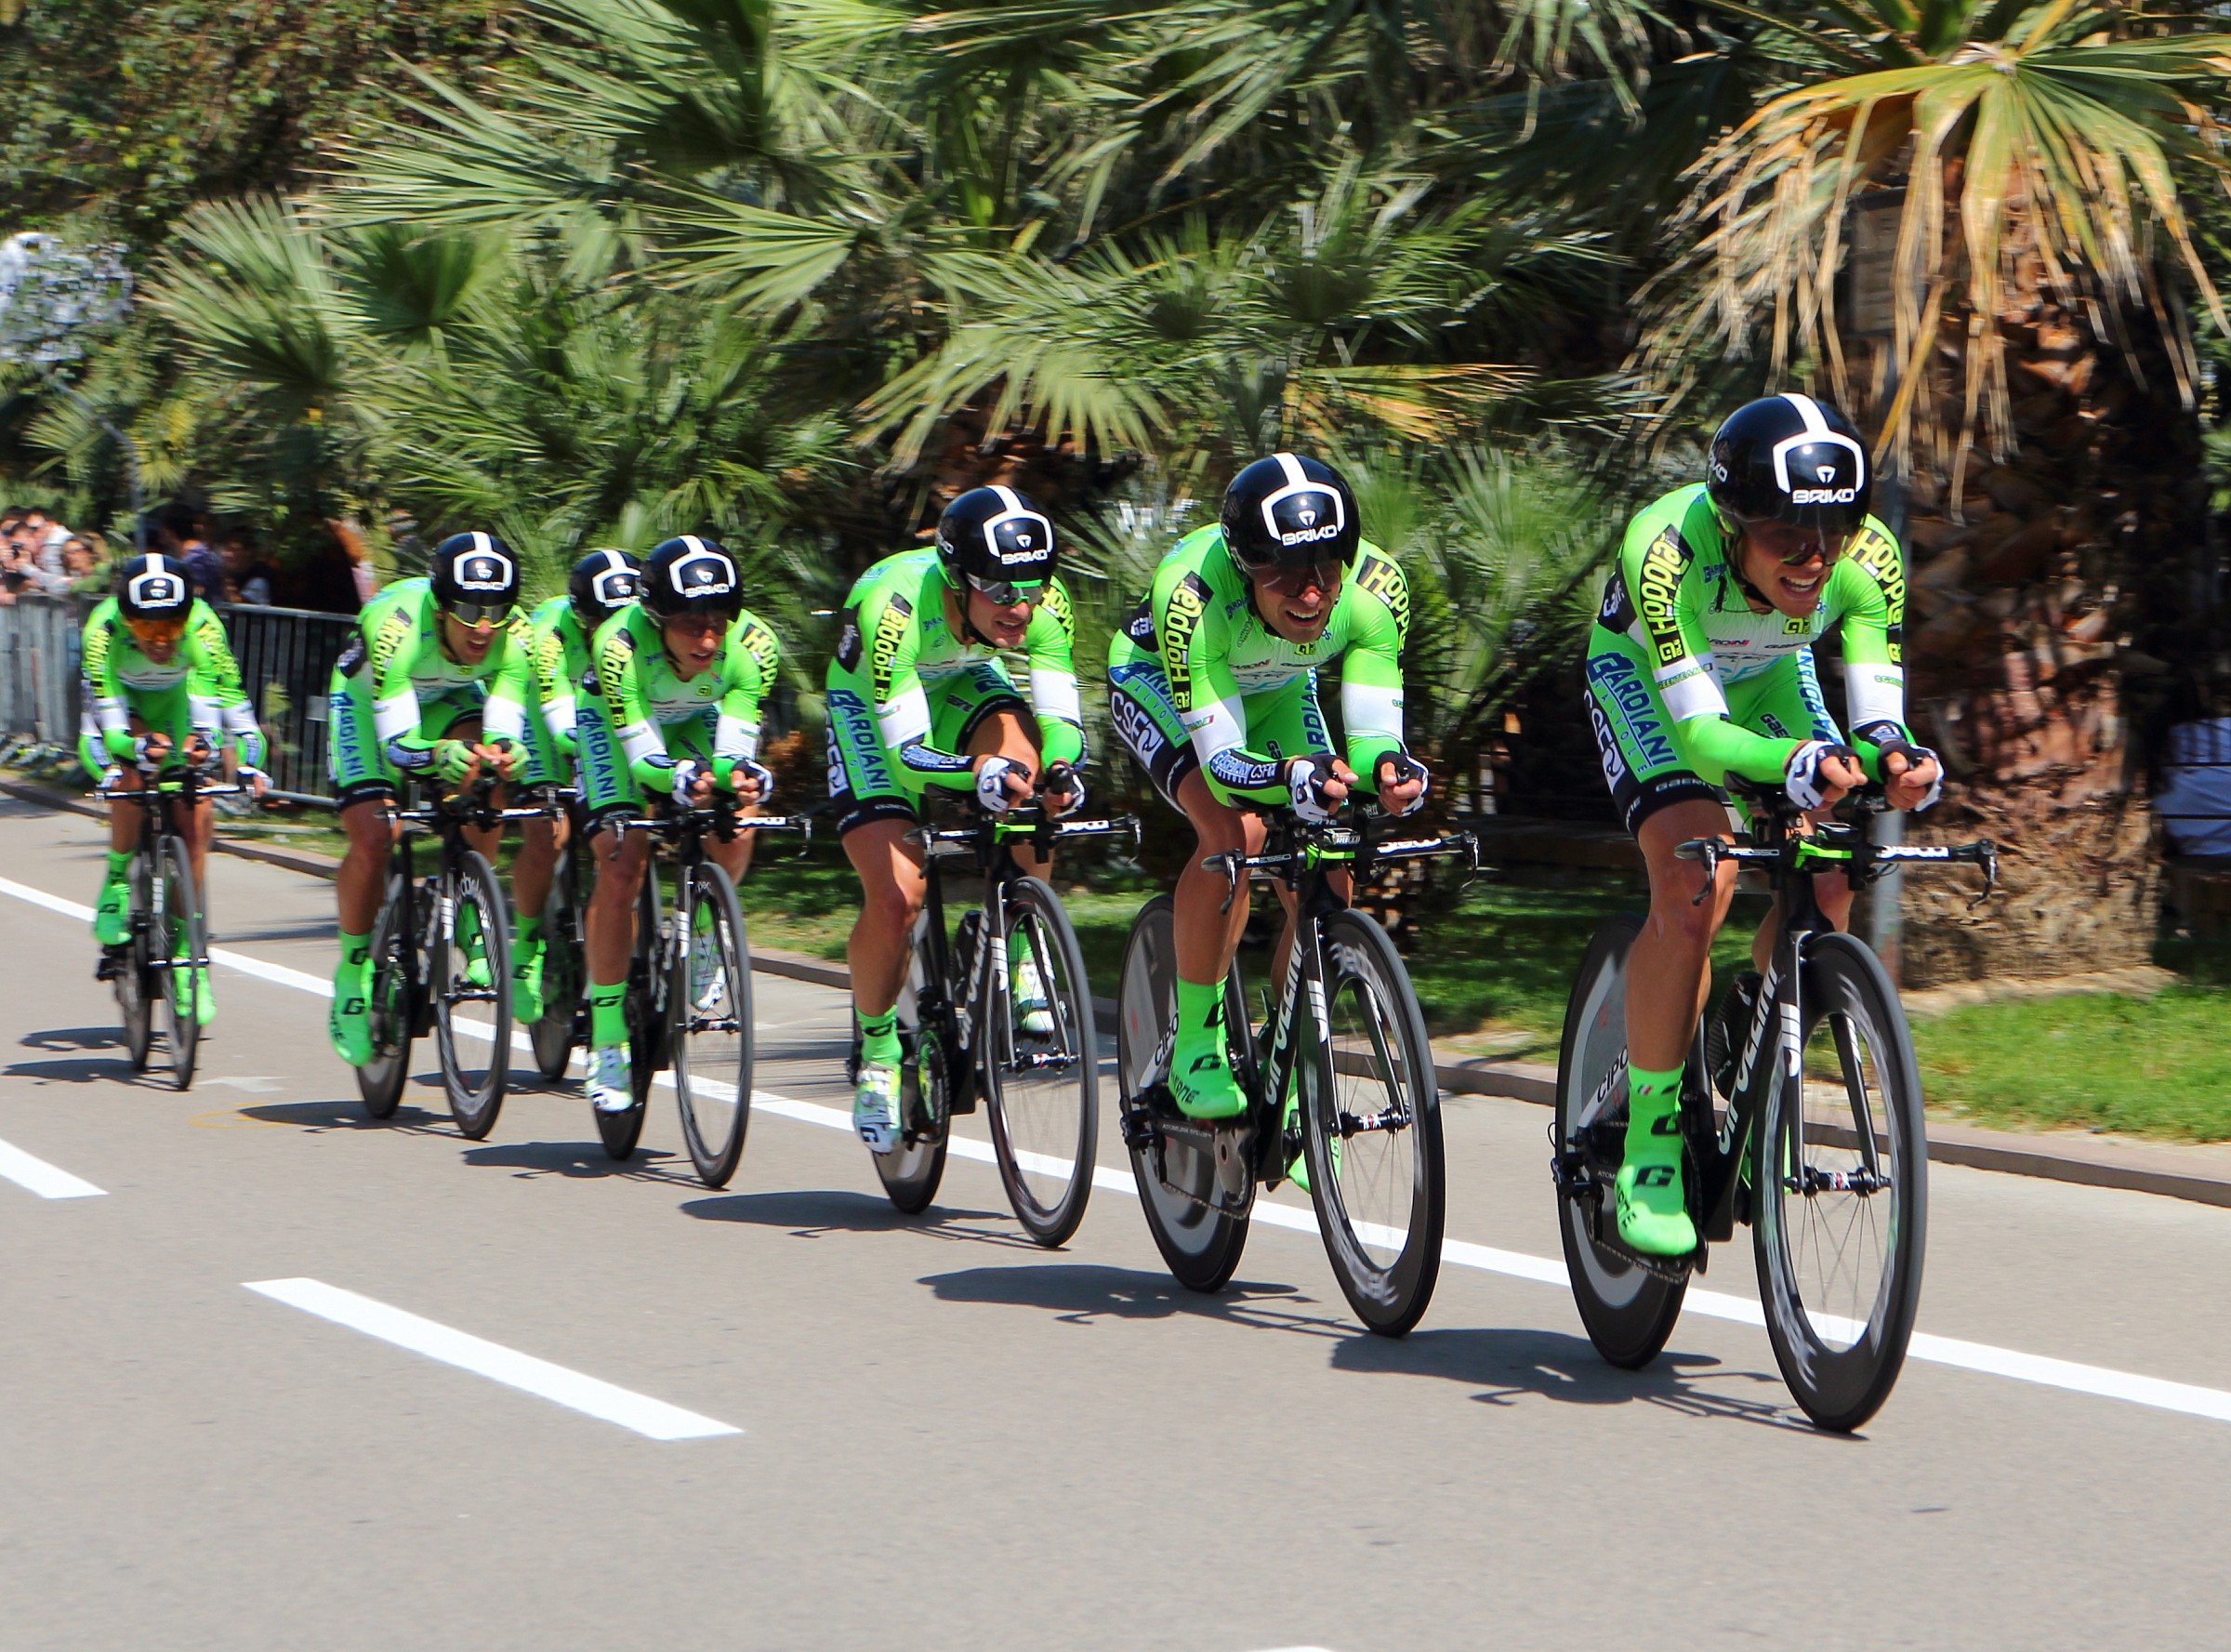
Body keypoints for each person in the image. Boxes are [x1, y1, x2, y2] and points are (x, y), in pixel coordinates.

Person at [1584, 392, 1943, 1256]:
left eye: (1834, 531)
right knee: (1696, 874)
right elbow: (1703, 733)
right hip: (1655, 688)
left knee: (1826, 872)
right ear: (1732, 519)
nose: (1814, 557)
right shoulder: (1665, 551)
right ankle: (1650, 1145)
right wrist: (1788, 766)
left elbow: (1875, 706)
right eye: (1786, 533)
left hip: (1771, 676)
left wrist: (1896, 759)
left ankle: (1762, 1008)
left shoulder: (1872, 558)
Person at [1106, 453, 1426, 1181]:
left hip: (1275, 685)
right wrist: (1291, 776)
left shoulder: (1378, 589)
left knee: (1329, 872)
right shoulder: (1191, 594)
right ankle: (1194, 1045)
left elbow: (1375, 727)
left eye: (1325, 567)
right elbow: (1225, 764)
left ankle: (1291, 1083)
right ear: (1245, 566)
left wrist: (1384, 769)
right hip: (1163, 678)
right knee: (1233, 831)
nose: (1310, 591)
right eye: (1282, 572)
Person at [825, 486, 1087, 1153]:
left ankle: (1022, 948)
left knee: (1027, 771)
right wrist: (977, 774)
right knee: (897, 896)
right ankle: (880, 1052)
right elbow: (908, 754)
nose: (1019, 607)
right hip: (875, 713)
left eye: (1029, 589)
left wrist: (1057, 772)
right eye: (999, 591)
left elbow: (1061, 721)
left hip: (960, 680)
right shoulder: (895, 609)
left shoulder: (1044, 602)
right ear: (954, 578)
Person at [323, 532, 558, 1065]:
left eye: (496, 609)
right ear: (439, 603)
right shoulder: (396, 630)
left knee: (488, 768)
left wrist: (507, 753)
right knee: (376, 835)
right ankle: (354, 968)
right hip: (371, 711)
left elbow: (503, 729)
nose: (483, 626)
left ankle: (472, 900)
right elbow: (401, 747)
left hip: (449, 699)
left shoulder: (515, 636)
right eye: (469, 609)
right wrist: (438, 755)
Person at [574, 536, 779, 1113]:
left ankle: (708, 932)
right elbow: (641, 760)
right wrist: (679, 779)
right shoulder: (616, 645)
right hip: (620, 736)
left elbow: (733, 749)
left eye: (719, 620)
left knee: (736, 814)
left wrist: (732, 779)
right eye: (691, 624)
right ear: (655, 616)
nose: (709, 638)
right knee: (620, 856)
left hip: (696, 721)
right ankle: (608, 1036)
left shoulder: (755, 645)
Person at [79, 553, 270, 1023]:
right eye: (147, 630)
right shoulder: (102, 634)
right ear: (127, 621)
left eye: (172, 627)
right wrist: (136, 748)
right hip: (129, 714)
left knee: (196, 805)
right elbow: (103, 731)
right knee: (129, 774)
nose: (162, 641)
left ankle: (191, 959)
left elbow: (237, 715)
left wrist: (241, 762)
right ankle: (119, 879)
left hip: (180, 706)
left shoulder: (204, 630)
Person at [512, 548, 642, 1021]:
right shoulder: (549, 635)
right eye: (600, 623)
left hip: (613, 715)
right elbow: (565, 721)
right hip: (546, 714)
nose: (611, 632)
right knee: (548, 830)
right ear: (580, 616)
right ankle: (526, 944)